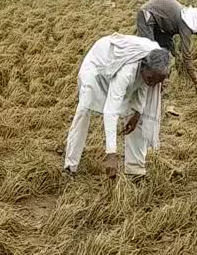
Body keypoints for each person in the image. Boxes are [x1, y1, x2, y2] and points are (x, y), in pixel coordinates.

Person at [64, 34, 171, 178]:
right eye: (150, 79)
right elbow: (110, 111)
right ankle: (70, 166)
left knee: (138, 118)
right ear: (143, 67)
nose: (152, 83)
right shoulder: (127, 72)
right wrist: (111, 154)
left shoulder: (157, 64)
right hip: (99, 65)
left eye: (156, 82)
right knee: (84, 109)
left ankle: (135, 170)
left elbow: (144, 86)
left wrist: (137, 113)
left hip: (125, 70)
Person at [136, 0, 197, 87]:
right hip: (147, 15)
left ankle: (159, 85)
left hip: (159, 23)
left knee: (165, 52)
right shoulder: (187, 23)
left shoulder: (186, 15)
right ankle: (141, 81)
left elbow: (168, 36)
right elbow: (186, 55)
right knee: (149, 51)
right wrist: (195, 80)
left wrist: (175, 54)